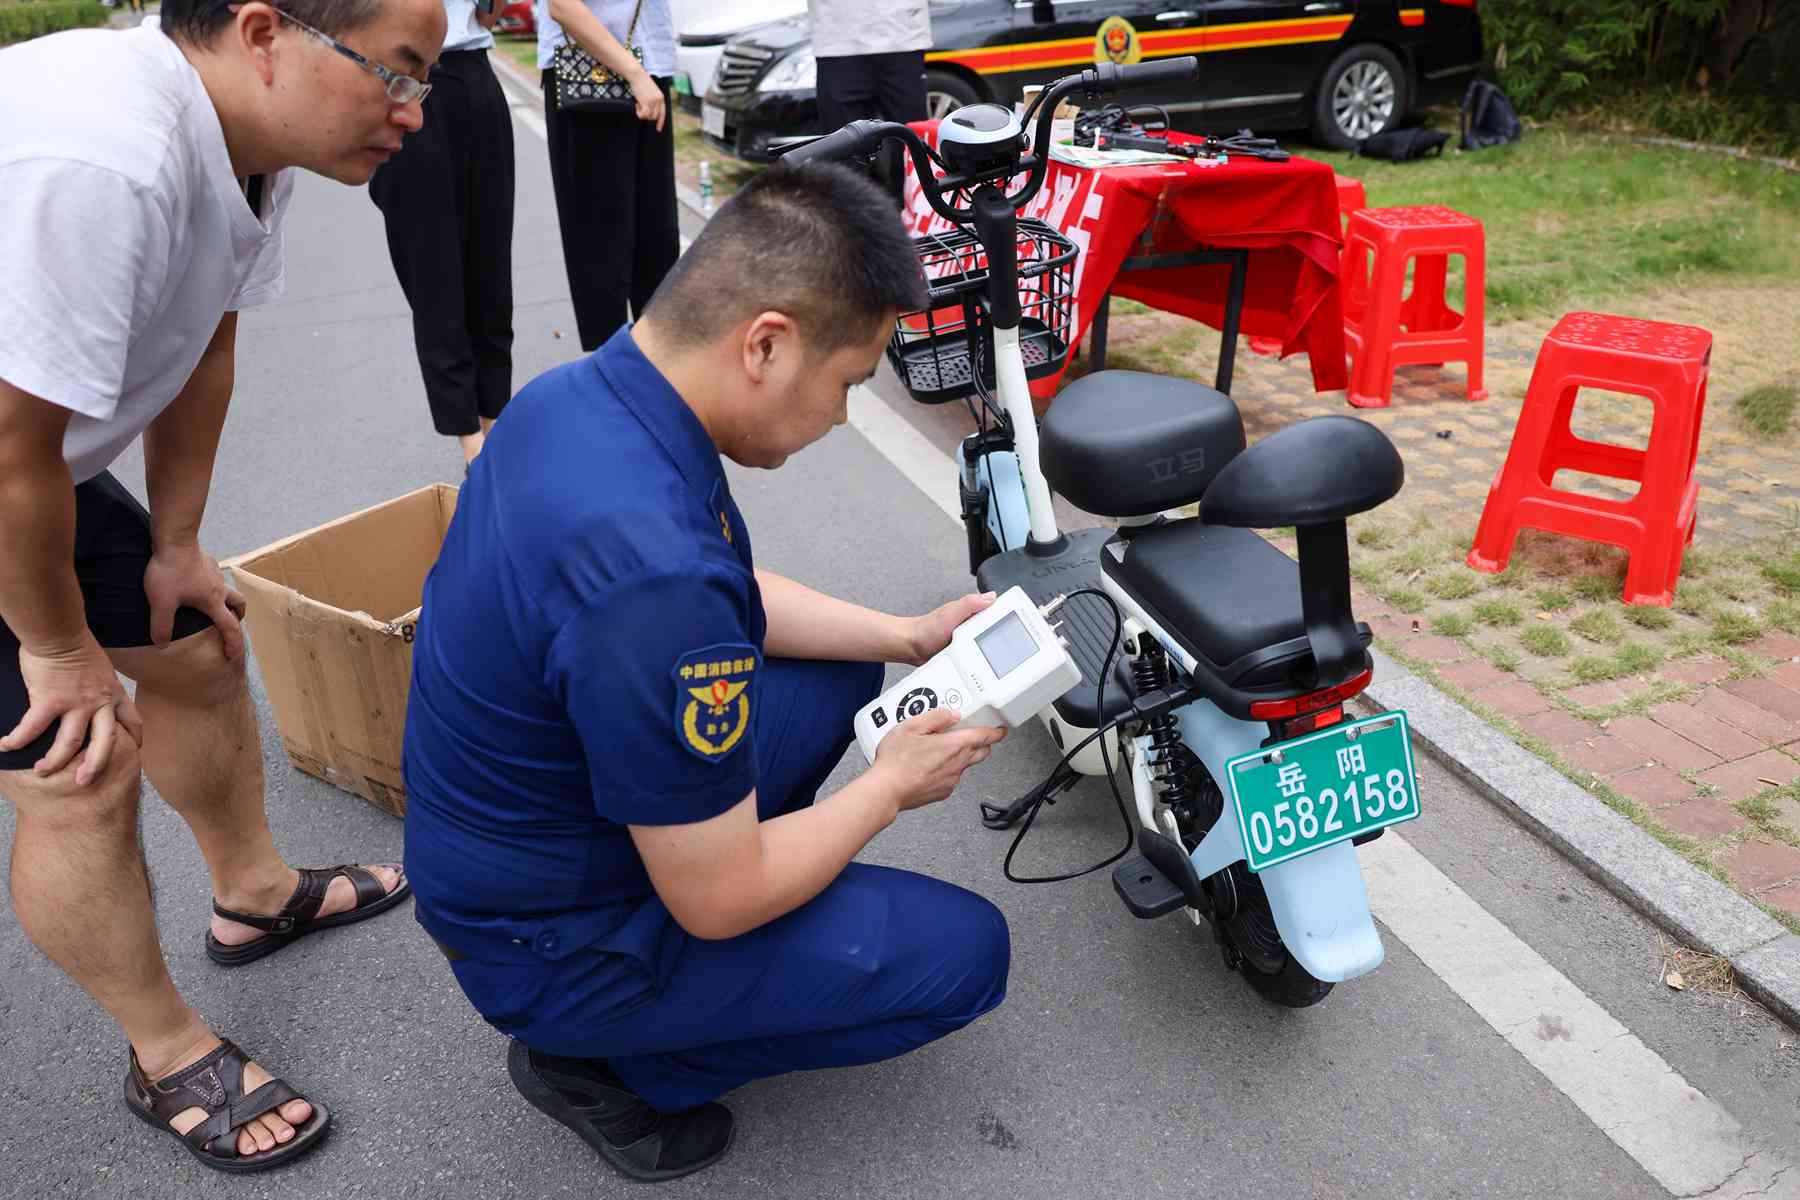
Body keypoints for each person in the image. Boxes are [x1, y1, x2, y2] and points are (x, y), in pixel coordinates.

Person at [403, 162, 1011, 1184]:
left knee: (848, 674)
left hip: (514, 842)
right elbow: (719, 900)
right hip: (554, 940)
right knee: (966, 955)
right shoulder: (651, 579)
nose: (844, 418)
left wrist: (907, 636)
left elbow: (727, 592)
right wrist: (890, 790)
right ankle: (602, 1061)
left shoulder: (582, 399)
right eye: (849, 383)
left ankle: (722, 922)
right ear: (766, 344)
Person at [0, 0, 442, 1173]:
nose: (414, 111)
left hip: (35, 462)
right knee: (76, 761)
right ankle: (164, 1053)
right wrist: (56, 649)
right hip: (4, 461)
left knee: (195, 641)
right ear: (264, 32)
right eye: (398, 73)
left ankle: (255, 893)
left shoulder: (248, 149)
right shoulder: (109, 154)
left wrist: (179, 542)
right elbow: (4, 445)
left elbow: (206, 338)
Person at [370, 0, 515, 466]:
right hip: (402, 77)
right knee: (434, 271)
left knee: (491, 270)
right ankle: (470, 438)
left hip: (476, 74)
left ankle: (498, 422)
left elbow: (487, 17)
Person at [539, 0, 678, 352]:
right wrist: (634, 74)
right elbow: (562, 5)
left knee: (657, 246)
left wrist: (643, 76)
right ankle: (609, 387)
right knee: (600, 255)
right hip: (592, 77)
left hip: (650, 72)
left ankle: (661, 377)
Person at [807, 0, 931, 201]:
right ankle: (848, 224)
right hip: (837, 41)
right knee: (841, 152)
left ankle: (914, 217)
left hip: (903, 36)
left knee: (911, 149)